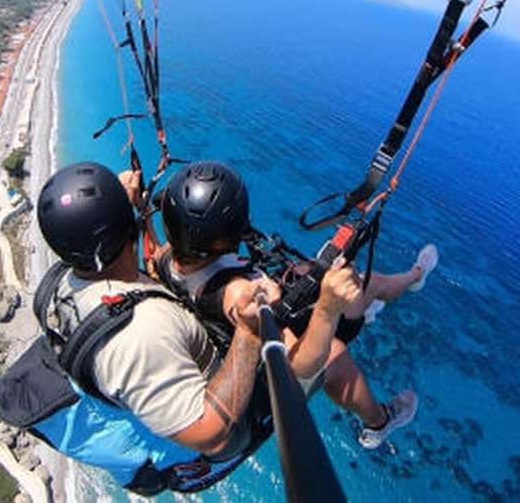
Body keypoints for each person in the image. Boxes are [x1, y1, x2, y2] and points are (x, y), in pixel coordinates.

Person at [0, 161, 361, 494]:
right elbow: (215, 435)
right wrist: (256, 332)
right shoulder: (142, 334)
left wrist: (135, 213)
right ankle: (378, 423)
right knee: (333, 353)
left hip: (138, 379)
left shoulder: (63, 282)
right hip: (210, 446)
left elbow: (143, 267)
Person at [149, 161, 439, 449]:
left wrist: (143, 217)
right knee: (345, 333)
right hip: (269, 363)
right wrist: (328, 306)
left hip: (244, 317)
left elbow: (157, 258)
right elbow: (299, 367)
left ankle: (376, 298)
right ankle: (380, 422)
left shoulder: (167, 257)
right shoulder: (239, 295)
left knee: (312, 270)